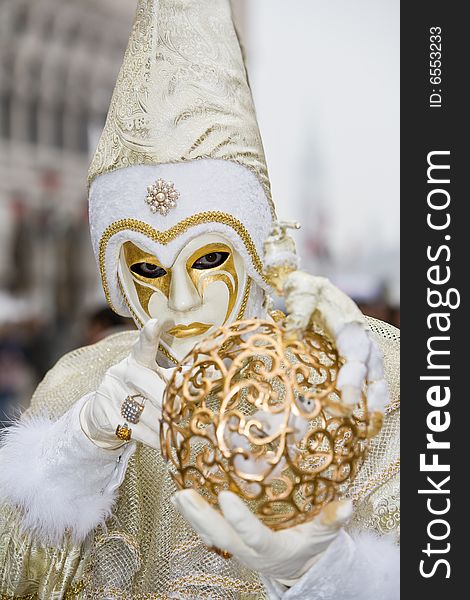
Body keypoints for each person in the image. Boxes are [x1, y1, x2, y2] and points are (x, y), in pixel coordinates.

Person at [0, 1, 399, 598]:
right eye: (147, 268)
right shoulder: (79, 386)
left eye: (209, 259)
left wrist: (319, 573)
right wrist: (73, 455)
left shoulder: (372, 373)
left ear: (254, 248)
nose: (180, 300)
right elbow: (15, 576)